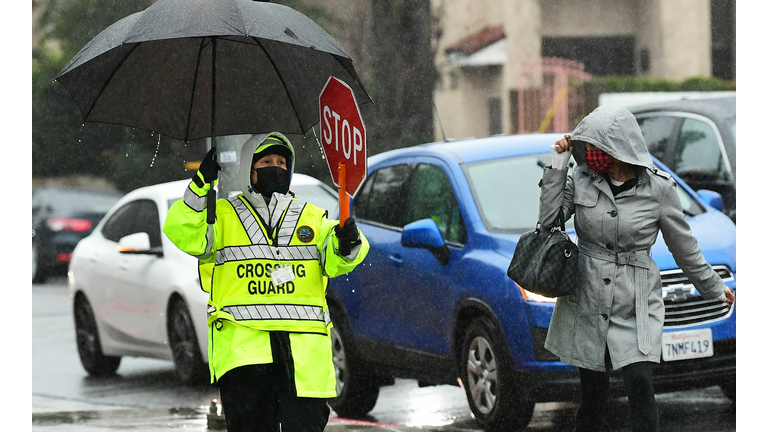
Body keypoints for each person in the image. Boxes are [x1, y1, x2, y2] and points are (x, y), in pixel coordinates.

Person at [539, 106, 734, 432]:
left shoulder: (660, 189)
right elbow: (548, 220)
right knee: (593, 395)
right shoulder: (580, 177)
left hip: (635, 300)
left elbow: (684, 247)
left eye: (597, 148)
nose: (590, 154)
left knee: (640, 384)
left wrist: (713, 287)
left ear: (619, 149)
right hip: (587, 297)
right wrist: (559, 164)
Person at [163, 132, 369, 432]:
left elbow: (341, 257)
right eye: (266, 161)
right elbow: (182, 230)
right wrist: (200, 184)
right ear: (249, 168)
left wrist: (348, 241)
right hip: (246, 358)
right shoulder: (221, 216)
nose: (276, 167)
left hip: (303, 359)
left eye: (282, 162)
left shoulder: (311, 216)